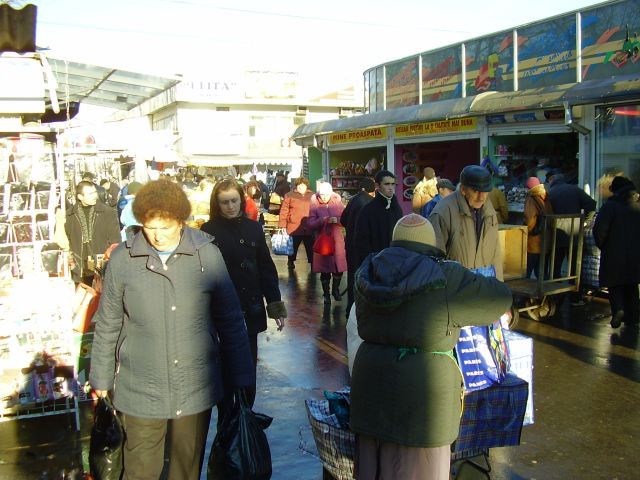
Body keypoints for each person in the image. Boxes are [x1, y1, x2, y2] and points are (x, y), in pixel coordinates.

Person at [90, 180, 255, 480]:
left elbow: (230, 319)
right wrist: (100, 376)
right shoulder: (123, 259)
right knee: (140, 470)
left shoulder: (206, 254)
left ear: (181, 221)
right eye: (150, 228)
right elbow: (108, 322)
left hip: (195, 385)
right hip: (139, 385)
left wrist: (241, 375)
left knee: (185, 470)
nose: (157, 236)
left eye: (165, 228)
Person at [350, 214, 513, 480]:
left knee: (373, 466)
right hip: (423, 396)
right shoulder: (445, 274)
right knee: (420, 470)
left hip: (370, 385)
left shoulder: (368, 269)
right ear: (430, 243)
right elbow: (499, 296)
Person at [200, 179, 286, 411]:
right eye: (224, 202)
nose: (230, 206)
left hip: (250, 307)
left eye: (234, 201)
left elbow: (267, 269)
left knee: (248, 367)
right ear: (217, 204)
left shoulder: (253, 228)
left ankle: (246, 416)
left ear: (241, 200)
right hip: (220, 311)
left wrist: (275, 307)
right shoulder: (207, 232)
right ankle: (228, 421)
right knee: (225, 368)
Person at [429, 164, 504, 280]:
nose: (482, 197)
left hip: (486, 285)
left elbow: (496, 252)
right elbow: (433, 258)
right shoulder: (442, 212)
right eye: (476, 191)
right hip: (457, 286)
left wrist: (499, 286)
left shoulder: (489, 209)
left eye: (485, 191)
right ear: (463, 189)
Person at [593, 176, 640, 328]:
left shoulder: (610, 206)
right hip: (635, 253)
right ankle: (633, 317)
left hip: (614, 252)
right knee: (632, 285)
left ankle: (618, 310)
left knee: (615, 285)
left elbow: (600, 231)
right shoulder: (637, 205)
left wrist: (603, 246)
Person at [65, 180, 121, 285]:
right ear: (80, 197)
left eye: (95, 192)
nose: (95, 196)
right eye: (90, 194)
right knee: (84, 299)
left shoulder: (107, 212)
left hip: (102, 266)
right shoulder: (69, 215)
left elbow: (116, 241)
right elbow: (67, 240)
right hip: (79, 268)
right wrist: (71, 261)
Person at [547, 173, 596, 282]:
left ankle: (556, 292)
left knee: (555, 265)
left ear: (551, 180)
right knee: (574, 265)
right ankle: (575, 292)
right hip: (574, 231)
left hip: (557, 233)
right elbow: (591, 203)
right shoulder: (574, 189)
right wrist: (586, 221)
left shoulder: (550, 193)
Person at [353, 170, 403, 270]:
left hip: (395, 262)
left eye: (393, 184)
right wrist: (371, 262)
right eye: (387, 184)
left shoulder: (397, 208)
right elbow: (361, 240)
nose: (390, 188)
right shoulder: (368, 210)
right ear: (377, 185)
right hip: (375, 264)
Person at [340, 177, 375, 317]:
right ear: (372, 190)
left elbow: (343, 220)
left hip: (351, 244)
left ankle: (351, 306)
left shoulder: (353, 200)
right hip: (365, 246)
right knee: (366, 276)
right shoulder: (372, 203)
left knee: (352, 275)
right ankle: (363, 308)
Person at [308, 182, 346, 304]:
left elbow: (346, 219)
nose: (323, 197)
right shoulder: (314, 203)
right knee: (325, 270)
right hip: (323, 241)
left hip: (337, 240)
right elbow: (310, 224)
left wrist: (338, 220)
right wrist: (322, 220)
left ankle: (335, 290)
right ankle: (326, 294)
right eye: (322, 194)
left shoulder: (337, 202)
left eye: (326, 194)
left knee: (338, 268)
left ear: (331, 194)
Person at [278, 177, 315, 269]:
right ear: (296, 186)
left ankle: (313, 264)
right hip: (294, 227)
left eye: (303, 185)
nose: (301, 187)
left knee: (311, 247)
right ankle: (290, 261)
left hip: (309, 226)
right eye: (299, 185)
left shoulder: (313, 195)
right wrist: (282, 225)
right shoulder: (289, 195)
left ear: (306, 186)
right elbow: (284, 211)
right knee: (293, 247)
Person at [523, 176, 553, 279]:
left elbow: (530, 219)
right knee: (542, 272)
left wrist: (527, 231)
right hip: (545, 239)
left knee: (526, 272)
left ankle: (524, 294)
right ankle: (544, 293)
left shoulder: (531, 198)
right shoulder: (546, 195)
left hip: (533, 241)